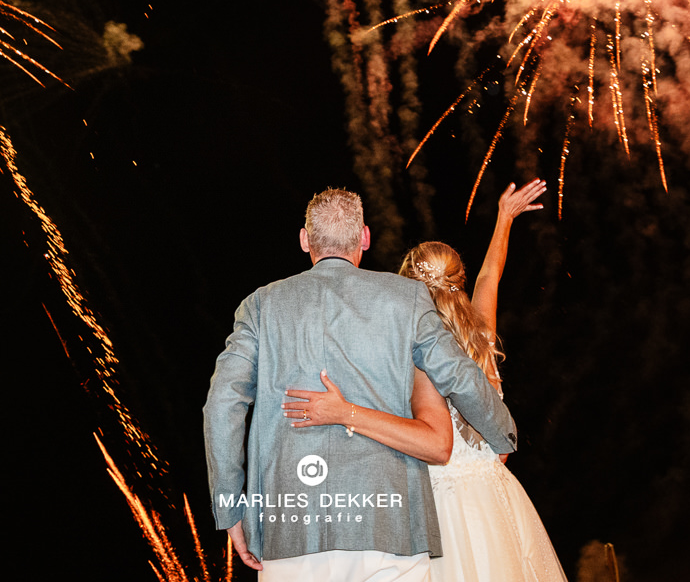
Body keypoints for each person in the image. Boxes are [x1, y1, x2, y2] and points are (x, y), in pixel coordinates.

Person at [204, 188, 517, 582]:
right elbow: (458, 374)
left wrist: (230, 509)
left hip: (290, 528)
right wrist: (501, 434)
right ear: (364, 238)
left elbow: (222, 404)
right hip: (389, 529)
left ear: (304, 240)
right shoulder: (407, 299)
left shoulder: (261, 306)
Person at [283, 180, 568, 582]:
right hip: (493, 496)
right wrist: (504, 219)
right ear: (458, 280)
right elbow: (491, 278)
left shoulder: (409, 352)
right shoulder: (480, 336)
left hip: (437, 502)